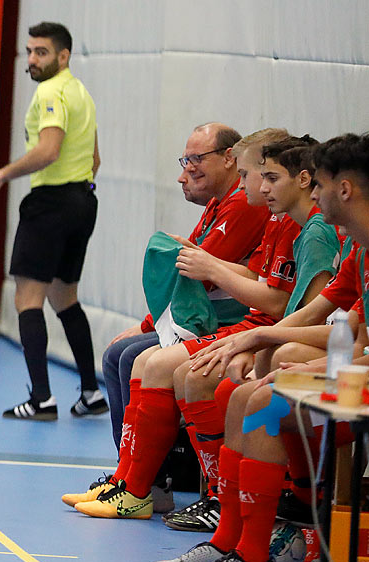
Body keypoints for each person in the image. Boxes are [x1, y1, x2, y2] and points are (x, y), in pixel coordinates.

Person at [73, 136, 338, 523]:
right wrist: (205, 261)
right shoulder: (284, 221)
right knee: (146, 361)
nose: (260, 187)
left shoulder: (308, 230)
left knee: (172, 369)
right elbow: (280, 291)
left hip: (263, 328)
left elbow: (284, 306)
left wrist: (214, 272)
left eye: (266, 177)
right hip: (262, 329)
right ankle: (137, 484)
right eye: (256, 176)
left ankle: (213, 498)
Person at [166, 133, 369, 562]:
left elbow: (359, 339)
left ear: (345, 189)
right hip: (358, 374)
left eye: (320, 184)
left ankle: (274, 535)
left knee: (267, 404)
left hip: (362, 388)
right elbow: (345, 321)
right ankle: (230, 540)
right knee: (245, 398)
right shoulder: (359, 249)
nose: (313, 195)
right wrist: (258, 338)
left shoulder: (330, 235)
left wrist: (312, 366)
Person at [97, 123, 271, 453]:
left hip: (230, 322)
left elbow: (197, 273)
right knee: (122, 354)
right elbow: (193, 264)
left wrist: (150, 323)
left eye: (197, 158)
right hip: (225, 321)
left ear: (229, 158)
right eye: (185, 160)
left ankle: (148, 480)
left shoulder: (245, 205)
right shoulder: (223, 203)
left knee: (132, 356)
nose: (185, 172)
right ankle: (130, 472)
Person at [0, 21, 102, 421]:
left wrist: (0, 175)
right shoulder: (80, 92)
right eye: (29, 51)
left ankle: (42, 399)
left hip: (51, 202)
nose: (32, 59)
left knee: (27, 299)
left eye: (41, 52)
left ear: (63, 56)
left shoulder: (49, 93)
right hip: (82, 201)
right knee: (65, 297)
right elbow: (95, 160)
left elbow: (49, 150)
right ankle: (90, 391)